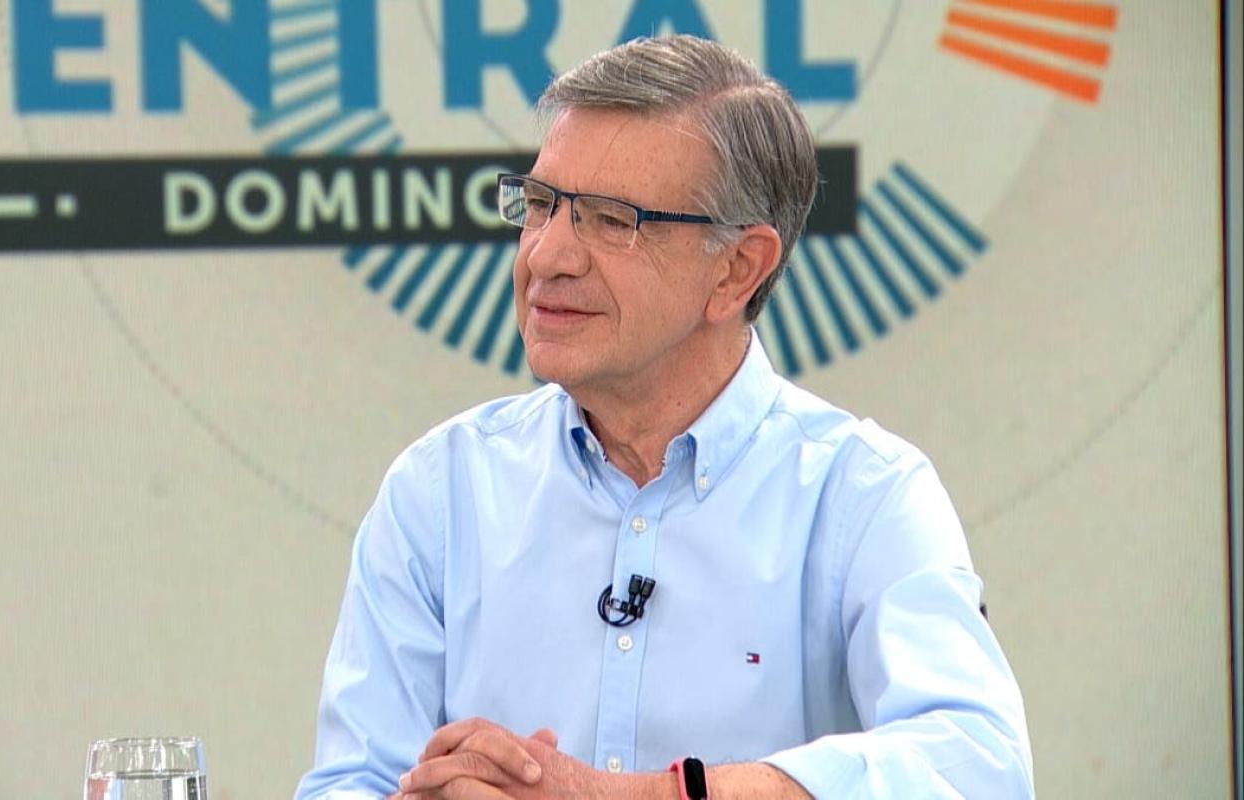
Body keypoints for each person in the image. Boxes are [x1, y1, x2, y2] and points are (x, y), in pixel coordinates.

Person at [296, 34, 1032, 800]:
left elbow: (980, 766)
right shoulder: (440, 490)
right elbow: (349, 782)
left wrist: (640, 796)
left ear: (736, 269)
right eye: (541, 205)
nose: (546, 256)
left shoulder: (861, 495)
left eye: (611, 220)